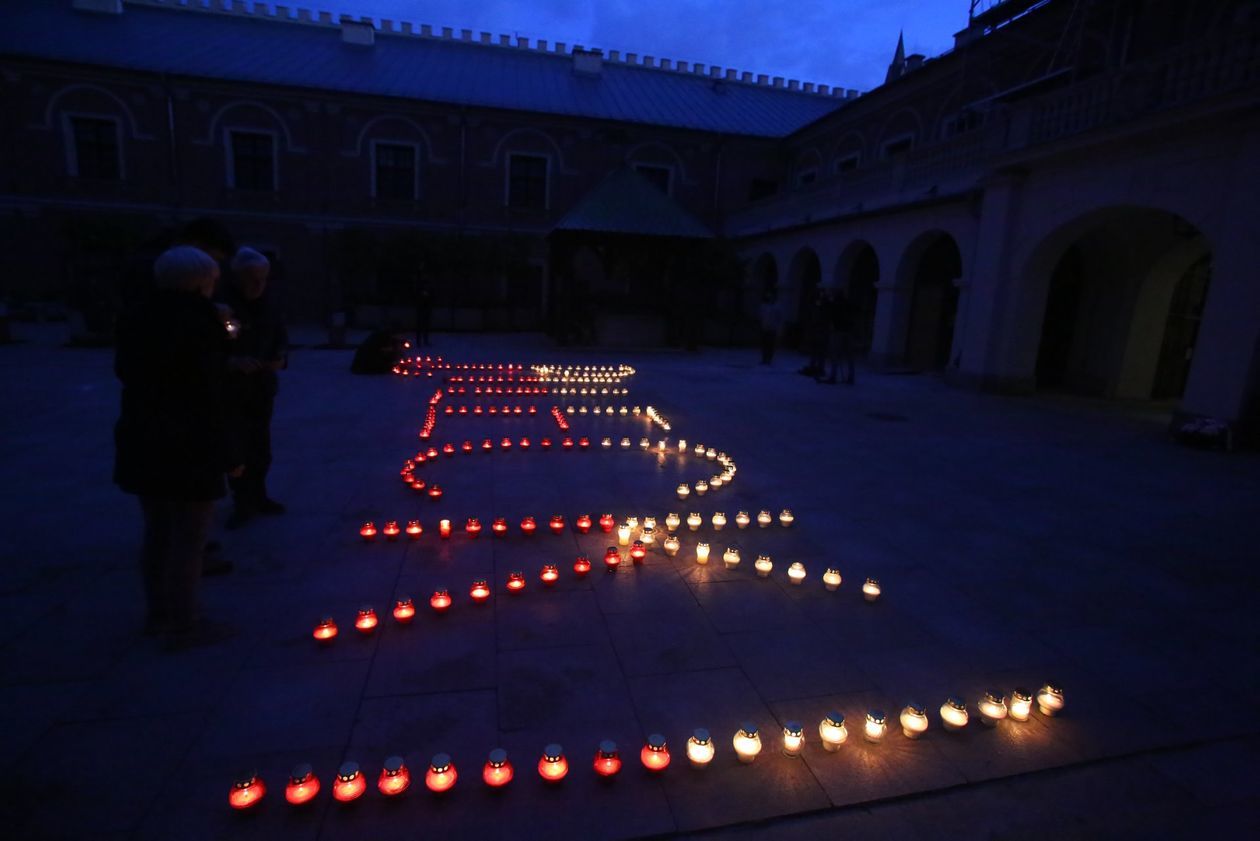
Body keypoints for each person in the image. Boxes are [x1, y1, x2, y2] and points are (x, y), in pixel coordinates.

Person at [114, 246, 241, 646]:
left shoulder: (136, 319)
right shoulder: (201, 323)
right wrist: (230, 454)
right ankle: (186, 624)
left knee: (157, 532)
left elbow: (125, 372)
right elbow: (210, 394)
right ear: (203, 281)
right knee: (190, 537)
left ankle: (158, 616)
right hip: (190, 444)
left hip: (143, 437)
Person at [220, 247, 288, 528]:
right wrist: (231, 361)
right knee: (237, 447)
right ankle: (242, 501)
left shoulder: (269, 305)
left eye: (263, 279)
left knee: (260, 445)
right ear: (237, 278)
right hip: (231, 389)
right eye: (252, 279)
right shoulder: (223, 306)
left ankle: (259, 495)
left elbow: (280, 337)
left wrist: (279, 358)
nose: (258, 285)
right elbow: (208, 347)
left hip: (261, 386)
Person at [820, 287, 856, 385]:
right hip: (849, 331)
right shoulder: (848, 304)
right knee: (850, 356)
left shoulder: (835, 304)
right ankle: (851, 377)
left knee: (835, 354)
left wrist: (825, 298)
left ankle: (833, 376)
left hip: (838, 331)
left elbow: (827, 310)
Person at [757, 290, 782, 364]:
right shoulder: (764, 306)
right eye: (769, 296)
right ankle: (764, 358)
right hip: (765, 327)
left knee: (770, 345)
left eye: (771, 296)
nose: (770, 298)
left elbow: (779, 318)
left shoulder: (777, 307)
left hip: (772, 328)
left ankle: (769, 359)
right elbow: (760, 316)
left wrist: (778, 328)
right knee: (764, 344)